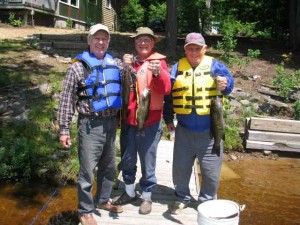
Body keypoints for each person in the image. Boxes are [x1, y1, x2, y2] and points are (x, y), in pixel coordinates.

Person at [57, 24, 123, 225]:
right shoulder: (78, 67)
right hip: (89, 125)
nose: (101, 42)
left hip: (111, 124)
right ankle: (85, 211)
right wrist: (64, 129)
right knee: (87, 171)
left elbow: (133, 77)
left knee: (109, 167)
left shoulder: (117, 63)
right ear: (89, 41)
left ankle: (103, 200)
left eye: (104, 39)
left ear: (109, 41)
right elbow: (66, 98)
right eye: (97, 38)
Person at [163, 32, 234, 214]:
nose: (194, 52)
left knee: (210, 173)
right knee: (180, 170)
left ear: (205, 49)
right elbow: (170, 94)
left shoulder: (215, 66)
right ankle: (182, 198)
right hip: (184, 130)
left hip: (210, 131)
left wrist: (226, 84)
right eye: (190, 48)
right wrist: (168, 118)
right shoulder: (178, 67)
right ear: (185, 49)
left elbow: (229, 83)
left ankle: (206, 202)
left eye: (197, 48)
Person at [113, 27, 171, 215]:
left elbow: (166, 89)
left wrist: (157, 74)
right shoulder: (129, 62)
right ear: (135, 43)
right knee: (128, 160)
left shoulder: (159, 63)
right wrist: (124, 65)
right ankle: (129, 192)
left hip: (150, 122)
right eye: (139, 40)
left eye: (147, 40)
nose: (143, 43)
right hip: (129, 122)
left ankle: (146, 196)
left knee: (148, 161)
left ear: (153, 43)